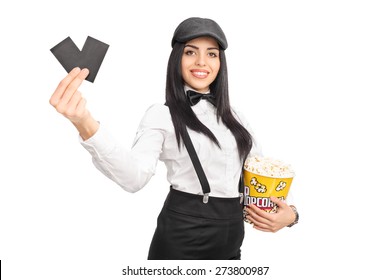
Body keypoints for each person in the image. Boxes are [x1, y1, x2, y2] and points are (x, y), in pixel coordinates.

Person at [49, 17, 299, 260]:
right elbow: (134, 178)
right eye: (191, 52)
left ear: (220, 63)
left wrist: (291, 216)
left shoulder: (237, 119)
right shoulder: (162, 114)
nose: (202, 62)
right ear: (177, 58)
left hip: (231, 241)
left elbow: (259, 181)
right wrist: (85, 122)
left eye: (211, 54)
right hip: (183, 238)